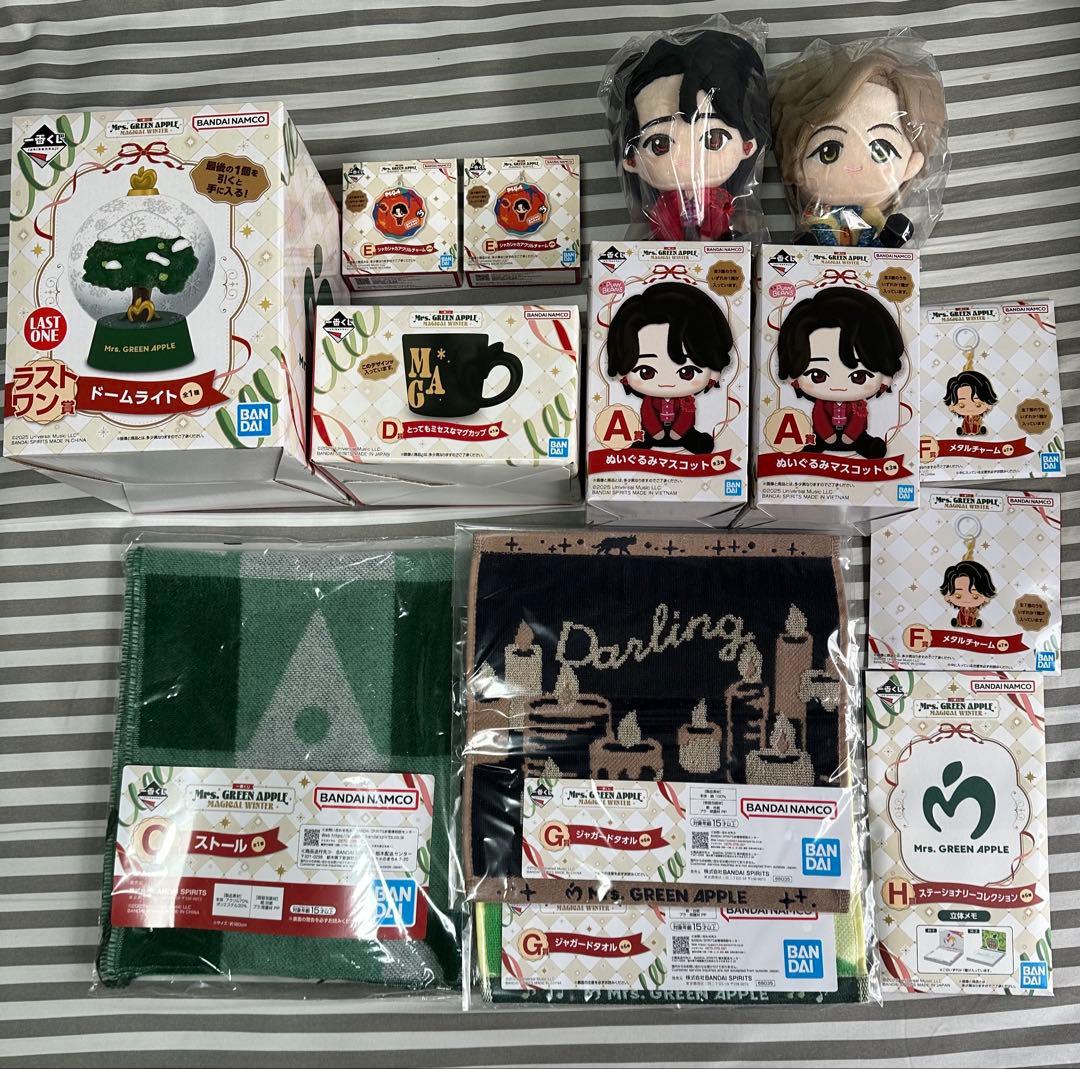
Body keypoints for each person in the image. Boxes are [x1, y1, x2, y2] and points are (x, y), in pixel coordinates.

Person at [771, 43, 946, 247]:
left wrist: (891, 236)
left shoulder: (870, 215)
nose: (853, 167)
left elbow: (880, 227)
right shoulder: (818, 215)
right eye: (829, 152)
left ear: (912, 165)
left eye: (881, 152)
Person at [609, 28, 770, 241]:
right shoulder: (663, 206)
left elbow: (723, 216)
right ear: (631, 159)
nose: (688, 159)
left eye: (714, 140)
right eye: (660, 143)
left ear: (747, 146)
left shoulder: (721, 199)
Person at [776, 288, 904, 459]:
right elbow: (819, 417)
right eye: (817, 375)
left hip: (855, 437)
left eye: (859, 377)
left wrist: (850, 436)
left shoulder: (858, 405)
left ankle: (869, 447)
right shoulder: (822, 404)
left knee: (864, 442)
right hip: (824, 435)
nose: (838, 386)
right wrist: (827, 435)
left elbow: (858, 420)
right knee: (815, 442)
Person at [606, 282, 733, 454]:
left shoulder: (687, 402)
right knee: (643, 439)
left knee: (693, 439)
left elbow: (687, 416)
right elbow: (647, 414)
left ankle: (691, 441)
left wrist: (678, 432)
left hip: (683, 433)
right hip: (652, 432)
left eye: (687, 372)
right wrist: (655, 431)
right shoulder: (650, 401)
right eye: (646, 372)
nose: (666, 382)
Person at [940, 560, 997, 628]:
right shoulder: (961, 608)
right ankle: (961, 623)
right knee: (961, 617)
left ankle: (972, 623)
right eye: (958, 596)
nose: (966, 600)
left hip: (973, 618)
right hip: (960, 620)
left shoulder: (974, 609)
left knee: (971, 618)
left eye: (975, 596)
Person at [944, 369, 998, 435]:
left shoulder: (978, 417)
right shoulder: (965, 417)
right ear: (952, 406)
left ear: (988, 404)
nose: (970, 409)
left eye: (978, 405)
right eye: (961, 405)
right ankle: (965, 430)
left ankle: (977, 430)